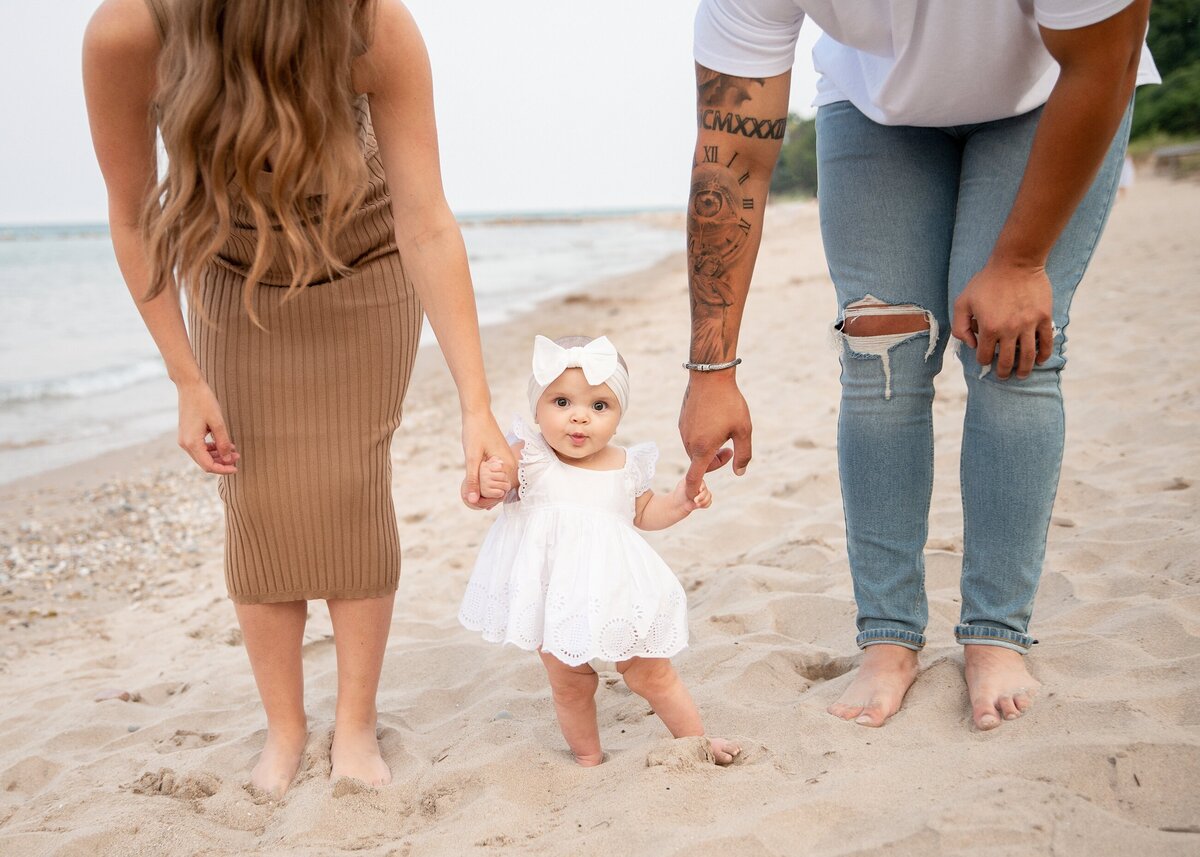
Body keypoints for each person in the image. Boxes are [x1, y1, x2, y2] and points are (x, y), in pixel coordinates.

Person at [679, 0, 1158, 730]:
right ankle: (888, 636)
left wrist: (1020, 261)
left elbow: (1104, 59)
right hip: (877, 112)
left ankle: (996, 633)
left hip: (1054, 89)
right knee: (879, 354)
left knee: (1010, 351)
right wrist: (711, 371)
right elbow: (730, 154)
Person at [83, 0, 515, 797]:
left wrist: (475, 403)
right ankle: (286, 727)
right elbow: (134, 213)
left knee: (352, 488)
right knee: (258, 499)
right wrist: (185, 377)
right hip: (233, 276)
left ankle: (354, 722)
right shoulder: (131, 31)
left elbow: (426, 220)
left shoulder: (370, 22)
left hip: (370, 260)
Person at [459, 335, 741, 766]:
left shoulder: (625, 464)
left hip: (614, 587)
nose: (579, 418)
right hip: (552, 593)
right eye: (561, 402)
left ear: (619, 415)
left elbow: (646, 513)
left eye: (599, 407)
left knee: (650, 671)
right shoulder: (528, 454)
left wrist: (684, 498)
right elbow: (492, 486)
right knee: (570, 681)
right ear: (536, 409)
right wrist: (489, 481)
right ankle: (589, 758)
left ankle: (697, 740)